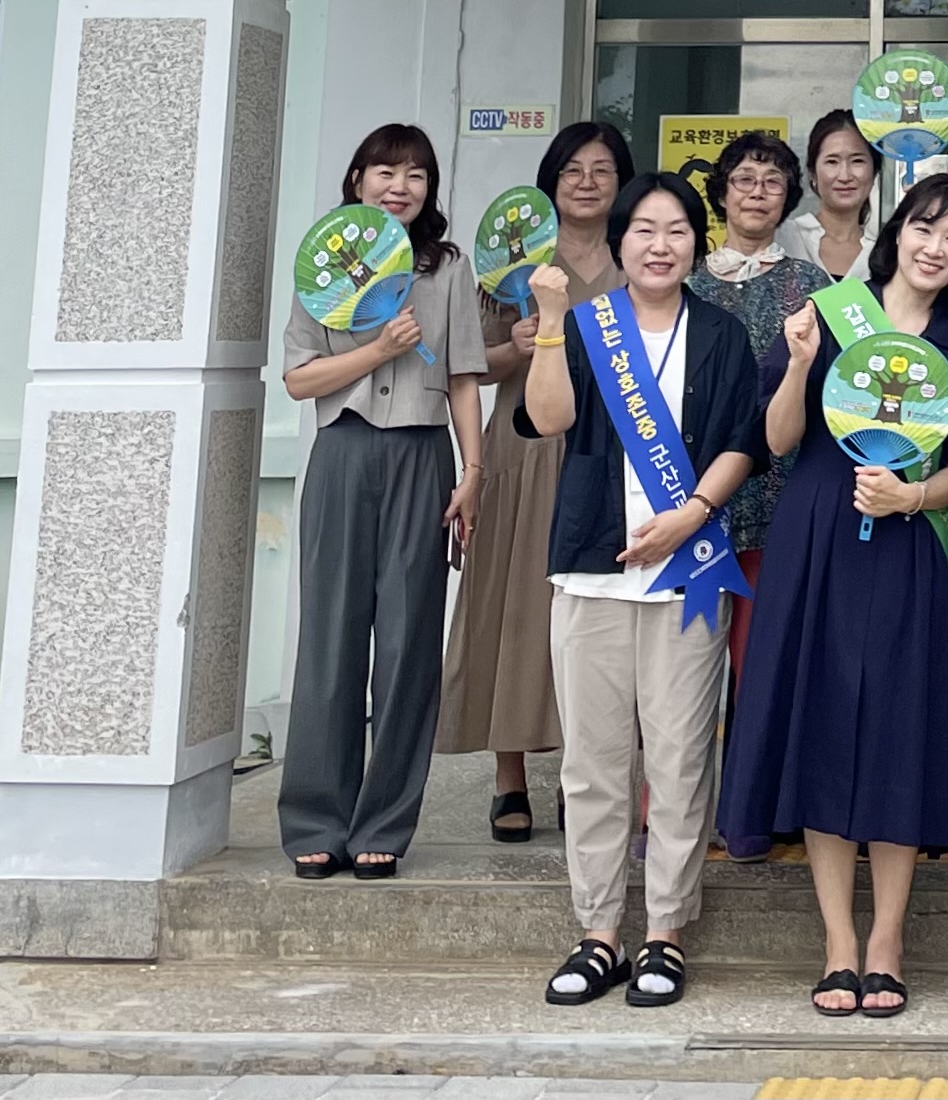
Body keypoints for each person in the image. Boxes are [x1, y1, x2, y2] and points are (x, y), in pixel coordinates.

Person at [719, 172, 948, 1019]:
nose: (935, 246)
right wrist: (801, 362)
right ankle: (837, 944)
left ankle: (886, 940)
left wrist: (912, 497)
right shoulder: (829, 310)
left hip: (906, 542)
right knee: (819, 717)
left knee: (894, 725)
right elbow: (776, 440)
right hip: (818, 534)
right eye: (925, 226)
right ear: (898, 231)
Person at [521, 168, 765, 1011]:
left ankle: (664, 931)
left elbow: (742, 442)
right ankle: (597, 933)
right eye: (644, 230)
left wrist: (691, 513)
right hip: (590, 568)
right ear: (619, 240)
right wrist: (551, 322)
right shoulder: (586, 327)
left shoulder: (723, 334)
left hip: (687, 575)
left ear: (697, 244)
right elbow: (549, 419)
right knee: (591, 765)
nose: (660, 245)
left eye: (676, 230)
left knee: (680, 758)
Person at [277, 122, 486, 880]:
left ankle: (386, 819)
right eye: (385, 171)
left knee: (407, 645)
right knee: (330, 639)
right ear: (357, 177)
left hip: (422, 456)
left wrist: (473, 472)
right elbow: (299, 379)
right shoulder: (324, 263)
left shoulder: (448, 267)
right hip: (344, 450)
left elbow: (464, 375)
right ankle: (314, 815)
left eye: (417, 175)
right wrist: (375, 350)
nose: (401, 186)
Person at [440, 119, 624, 844]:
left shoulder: (636, 254)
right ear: (551, 179)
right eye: (573, 167)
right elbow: (469, 366)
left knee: (597, 623)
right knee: (514, 610)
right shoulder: (512, 261)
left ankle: (587, 774)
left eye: (602, 168)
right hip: (521, 451)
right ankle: (509, 775)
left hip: (607, 458)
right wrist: (510, 349)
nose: (586, 180)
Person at [693, 130, 818, 652]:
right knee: (682, 672)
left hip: (778, 502)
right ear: (722, 193)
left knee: (761, 661)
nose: (758, 191)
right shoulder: (685, 281)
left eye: (773, 181)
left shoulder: (814, 287)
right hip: (689, 495)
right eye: (744, 179)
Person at [779, 109, 883, 283]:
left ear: (874, 173)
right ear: (813, 173)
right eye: (832, 162)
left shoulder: (887, 252)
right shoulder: (784, 238)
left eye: (857, 161)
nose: (844, 176)